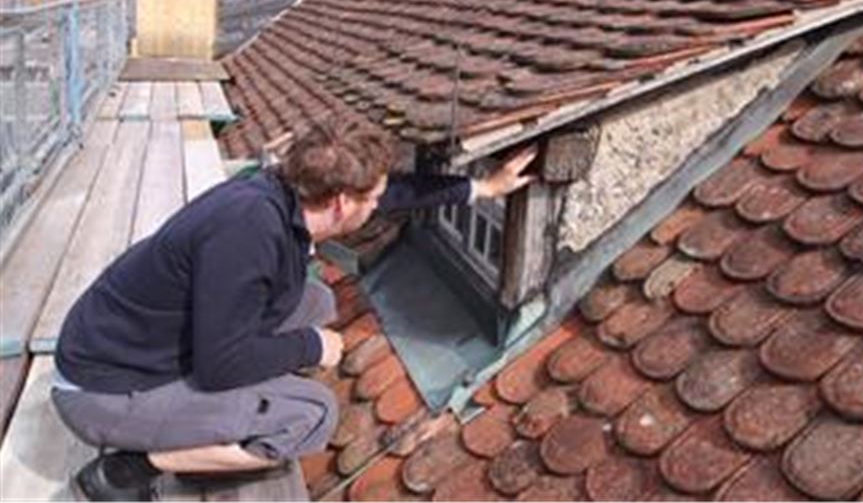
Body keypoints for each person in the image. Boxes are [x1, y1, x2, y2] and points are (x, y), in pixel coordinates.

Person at [52, 119, 536, 501]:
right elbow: (220, 365)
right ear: (341, 203)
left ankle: (218, 420)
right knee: (312, 415)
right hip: (104, 391)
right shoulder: (248, 237)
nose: (378, 206)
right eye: (370, 201)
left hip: (126, 344)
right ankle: (132, 468)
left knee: (315, 300)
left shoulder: (281, 191)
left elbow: (393, 193)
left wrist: (483, 189)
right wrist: (311, 346)